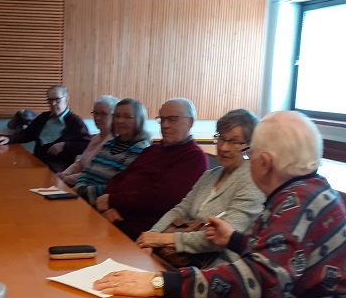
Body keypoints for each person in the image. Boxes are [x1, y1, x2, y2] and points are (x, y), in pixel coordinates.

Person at [94, 111, 346, 298]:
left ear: (264, 162)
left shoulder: (295, 204)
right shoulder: (310, 190)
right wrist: (236, 240)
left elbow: (256, 286)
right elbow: (285, 258)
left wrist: (160, 282)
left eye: (250, 153)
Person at [136, 108, 264, 267]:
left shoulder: (253, 181)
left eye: (234, 142)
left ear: (250, 146)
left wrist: (164, 239)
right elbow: (181, 209)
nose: (224, 148)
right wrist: (152, 236)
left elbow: (223, 237)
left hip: (218, 266)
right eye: (221, 138)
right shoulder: (210, 175)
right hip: (181, 258)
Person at [94, 98, 208, 239]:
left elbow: (163, 198)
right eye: (162, 119)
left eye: (172, 119)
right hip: (113, 218)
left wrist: (112, 201)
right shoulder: (153, 149)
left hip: (142, 232)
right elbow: (118, 179)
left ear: (190, 122)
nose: (165, 125)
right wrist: (110, 207)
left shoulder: (193, 156)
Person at [0, 85, 91, 173]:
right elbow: (27, 134)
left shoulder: (75, 121)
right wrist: (9, 139)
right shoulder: (44, 117)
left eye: (57, 100)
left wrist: (64, 145)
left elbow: (86, 144)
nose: (53, 104)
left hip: (57, 164)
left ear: (66, 99)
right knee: (9, 168)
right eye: (50, 100)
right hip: (37, 158)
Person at [75, 98, 150, 204]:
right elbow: (87, 171)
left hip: (103, 205)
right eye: (117, 116)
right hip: (83, 197)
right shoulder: (109, 144)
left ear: (139, 120)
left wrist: (82, 191)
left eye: (127, 116)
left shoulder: (141, 149)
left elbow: (118, 185)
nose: (120, 121)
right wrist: (80, 187)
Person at [59, 95, 118, 186]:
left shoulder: (114, 141)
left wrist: (66, 179)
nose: (97, 118)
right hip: (77, 182)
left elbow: (94, 173)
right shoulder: (96, 137)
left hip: (90, 186)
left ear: (114, 116)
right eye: (95, 113)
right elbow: (81, 162)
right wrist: (63, 174)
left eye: (103, 114)